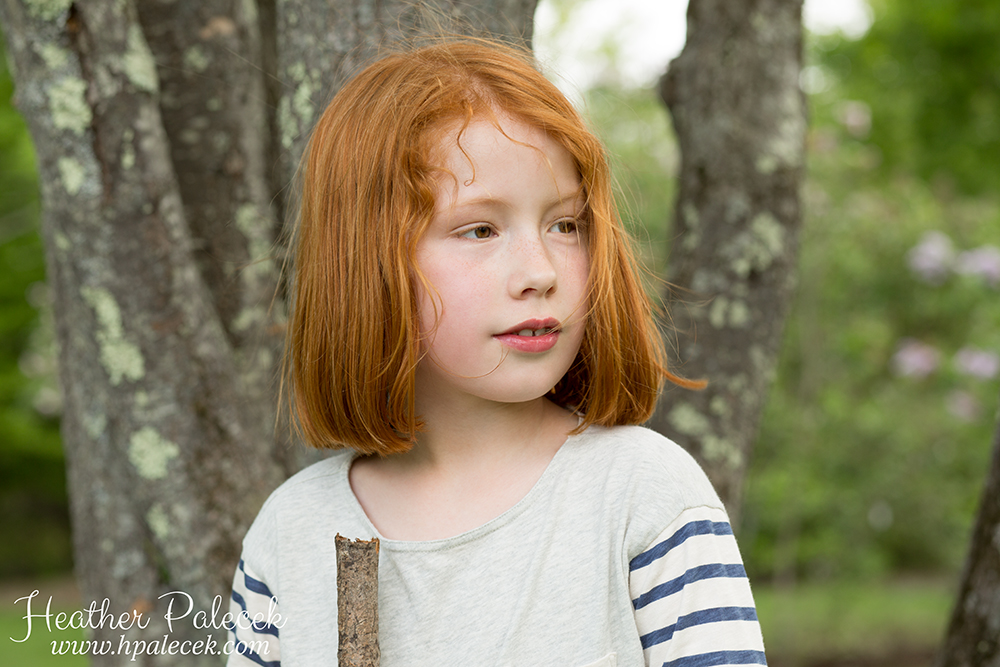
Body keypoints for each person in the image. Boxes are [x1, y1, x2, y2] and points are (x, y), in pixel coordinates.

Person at [227, 38, 767, 667]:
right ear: (367, 265)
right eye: (479, 229)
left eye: (565, 225)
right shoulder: (291, 533)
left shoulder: (640, 495)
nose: (539, 271)